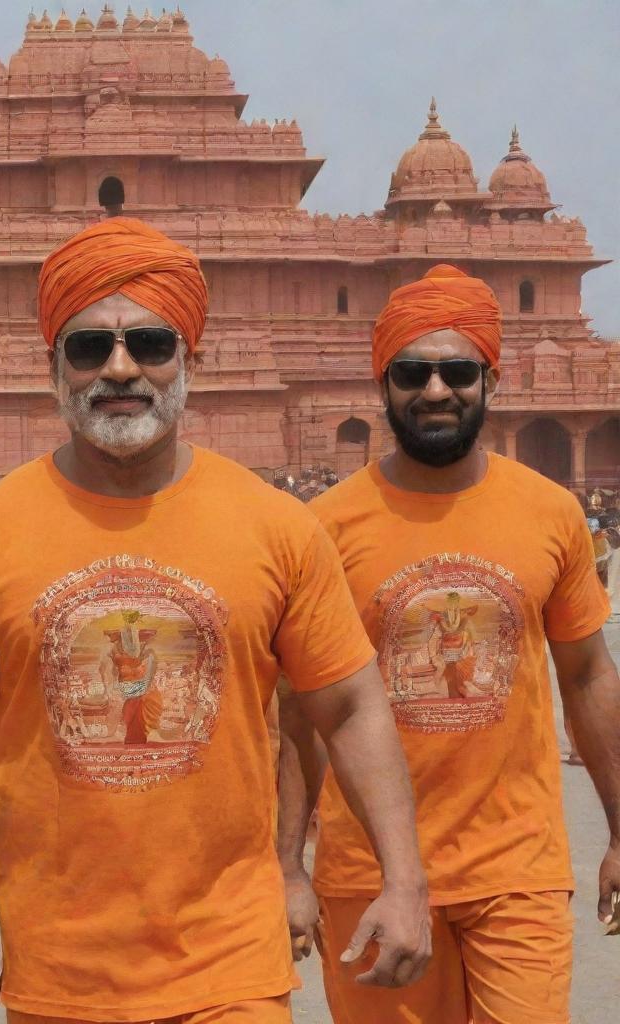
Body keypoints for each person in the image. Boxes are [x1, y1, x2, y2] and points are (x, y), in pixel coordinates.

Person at [0, 218, 431, 1024]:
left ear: (190, 358)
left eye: (150, 342)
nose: (121, 367)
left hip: (231, 963)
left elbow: (348, 707)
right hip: (59, 969)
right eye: (89, 348)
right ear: (52, 368)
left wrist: (403, 879)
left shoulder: (277, 528)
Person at [279, 265, 620, 1024]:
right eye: (412, 371)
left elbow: (590, 675)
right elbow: (302, 713)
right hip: (369, 873)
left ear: (490, 377)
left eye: (458, 369)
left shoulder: (550, 513)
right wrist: (286, 866)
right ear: (383, 384)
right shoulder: (326, 529)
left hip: (517, 869)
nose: (436, 389)